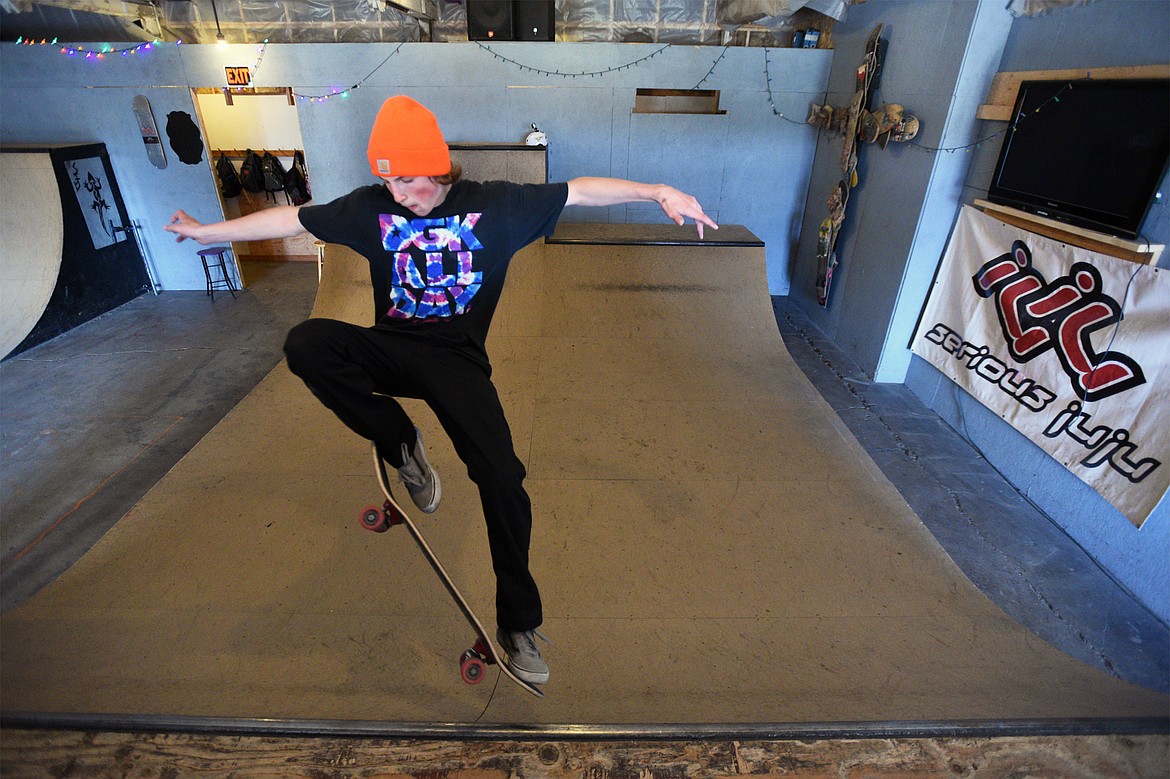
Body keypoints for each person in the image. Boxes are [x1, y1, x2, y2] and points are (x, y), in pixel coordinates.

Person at [165, 95, 717, 686]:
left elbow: (577, 190)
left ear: (437, 167)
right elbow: (293, 219)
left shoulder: (498, 206)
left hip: (457, 364)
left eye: (407, 180)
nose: (399, 194)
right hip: (392, 349)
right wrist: (208, 234)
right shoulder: (370, 208)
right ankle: (400, 441)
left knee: (504, 479)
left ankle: (518, 623)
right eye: (389, 182)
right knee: (306, 342)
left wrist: (657, 189)